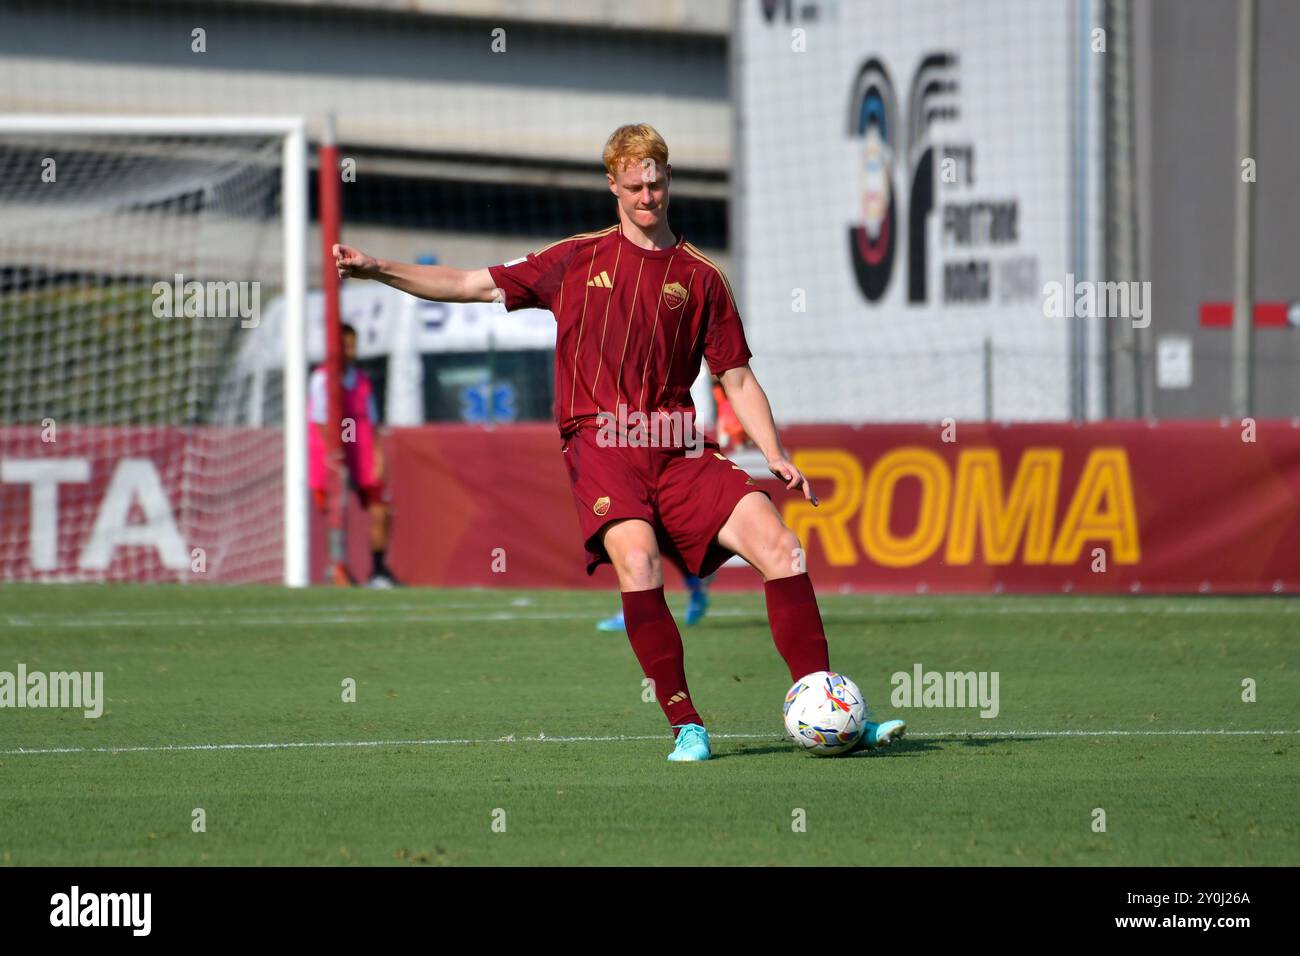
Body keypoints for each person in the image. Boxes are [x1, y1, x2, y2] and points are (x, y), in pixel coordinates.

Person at [333, 123, 904, 759]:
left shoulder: (702, 277)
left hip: (677, 447)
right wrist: (380, 269)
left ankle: (827, 707)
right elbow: (472, 285)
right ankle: (687, 724)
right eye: (634, 186)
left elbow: (737, 377)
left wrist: (775, 455)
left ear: (668, 180)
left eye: (656, 183)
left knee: (781, 545)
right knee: (638, 564)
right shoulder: (575, 259)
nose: (647, 196)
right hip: (601, 445)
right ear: (613, 185)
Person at [308, 323, 399, 588]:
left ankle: (379, 570)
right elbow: (321, 422)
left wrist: (378, 455)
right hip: (332, 457)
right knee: (336, 512)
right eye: (346, 344)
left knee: (382, 507)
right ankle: (337, 568)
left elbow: (371, 422)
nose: (351, 349)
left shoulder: (361, 380)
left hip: (361, 454)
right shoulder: (322, 379)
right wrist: (335, 455)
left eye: (353, 343)